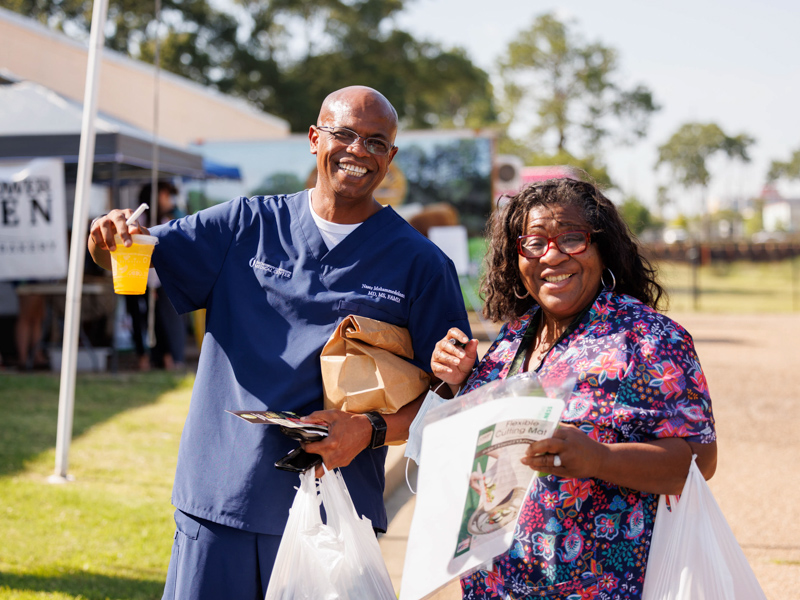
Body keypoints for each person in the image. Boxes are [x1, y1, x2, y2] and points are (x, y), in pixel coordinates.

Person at [88, 85, 470, 598]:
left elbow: (449, 401)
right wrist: (105, 241)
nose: (359, 151)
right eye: (344, 134)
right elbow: (131, 252)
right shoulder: (244, 225)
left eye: (376, 142)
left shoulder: (420, 265)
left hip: (333, 514)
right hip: (220, 500)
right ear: (315, 138)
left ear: (390, 158)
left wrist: (370, 429)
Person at [433, 178, 716, 600]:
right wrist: (457, 384)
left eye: (571, 238)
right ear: (516, 256)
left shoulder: (647, 337)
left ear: (602, 248)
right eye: (533, 242)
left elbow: (700, 460)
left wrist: (600, 457)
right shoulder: (513, 339)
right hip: (496, 584)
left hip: (594, 586)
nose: (552, 255)